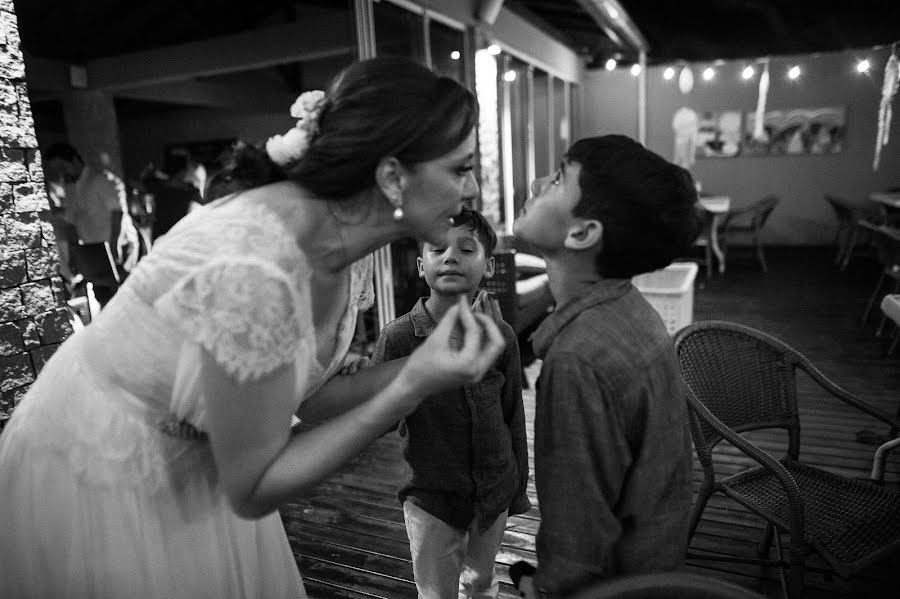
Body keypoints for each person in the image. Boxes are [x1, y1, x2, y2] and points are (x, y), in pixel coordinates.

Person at [0, 57, 507, 599]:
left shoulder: (344, 245)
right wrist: (411, 387)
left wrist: (424, 362)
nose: (472, 188)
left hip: (205, 461)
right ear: (391, 177)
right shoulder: (260, 269)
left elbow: (308, 400)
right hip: (106, 469)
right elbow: (255, 486)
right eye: (460, 168)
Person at [510, 135, 699, 597]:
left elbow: (578, 531)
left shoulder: (578, 358)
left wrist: (546, 589)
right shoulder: (629, 310)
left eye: (556, 179)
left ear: (582, 233)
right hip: (653, 569)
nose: (535, 183)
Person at [371, 207, 530, 599]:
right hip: (431, 496)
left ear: (489, 266)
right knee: (435, 591)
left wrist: (517, 488)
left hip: (494, 490)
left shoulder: (501, 335)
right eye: (438, 249)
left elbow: (513, 414)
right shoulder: (399, 338)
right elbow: (380, 416)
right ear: (422, 265)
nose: (451, 256)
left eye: (466, 248)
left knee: (480, 582)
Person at [42, 143, 139, 274]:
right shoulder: (70, 188)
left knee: (124, 291)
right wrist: (74, 256)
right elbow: (72, 222)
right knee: (103, 292)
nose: (61, 173)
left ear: (75, 161)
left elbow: (117, 213)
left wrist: (114, 246)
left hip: (119, 245)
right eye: (57, 170)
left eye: (63, 167)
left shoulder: (100, 179)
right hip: (95, 251)